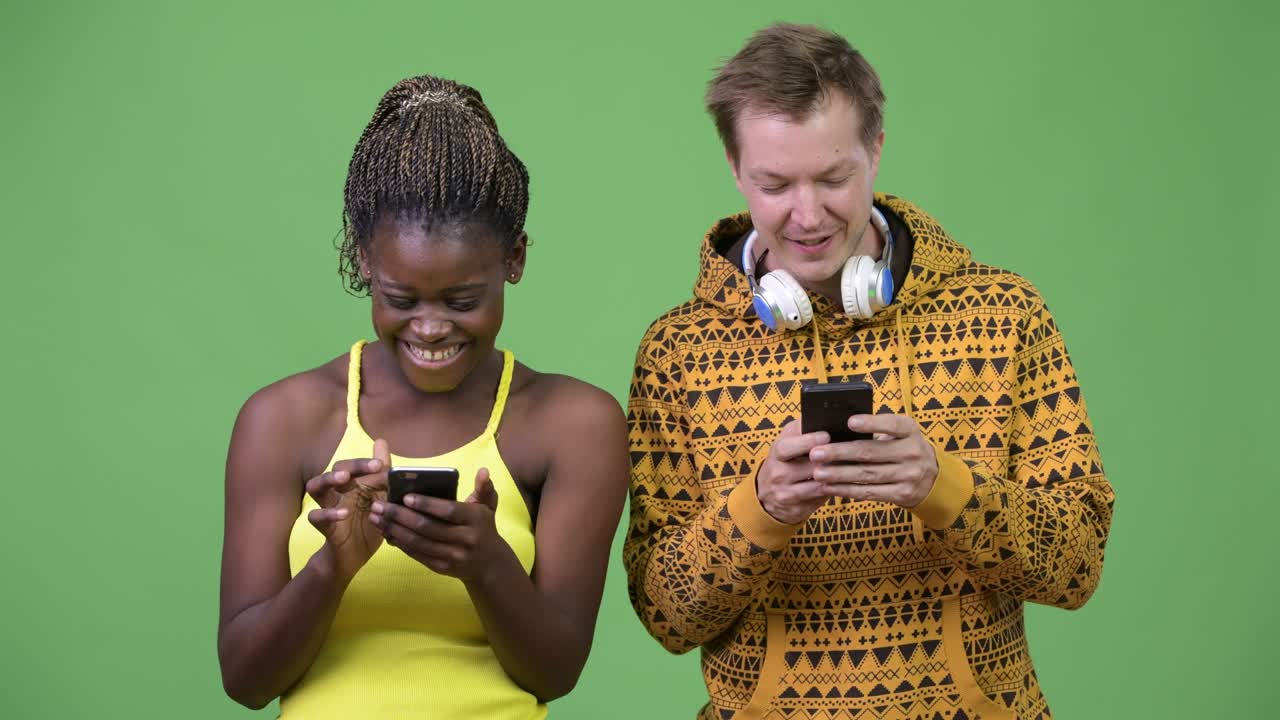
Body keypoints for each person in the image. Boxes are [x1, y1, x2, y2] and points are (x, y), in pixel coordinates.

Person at [623, 23, 1114, 720]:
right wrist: (758, 509)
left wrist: (941, 486)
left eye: (833, 178)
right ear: (735, 169)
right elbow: (665, 614)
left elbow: (1077, 566)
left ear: (875, 152)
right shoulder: (677, 352)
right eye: (774, 184)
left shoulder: (1005, 314)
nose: (808, 214)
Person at [217, 74, 629, 718]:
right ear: (363, 263)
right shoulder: (284, 418)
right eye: (400, 299)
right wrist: (333, 566)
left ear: (514, 260)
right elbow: (245, 681)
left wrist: (486, 564)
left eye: (462, 301)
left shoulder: (575, 423)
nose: (431, 328)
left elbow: (555, 672)